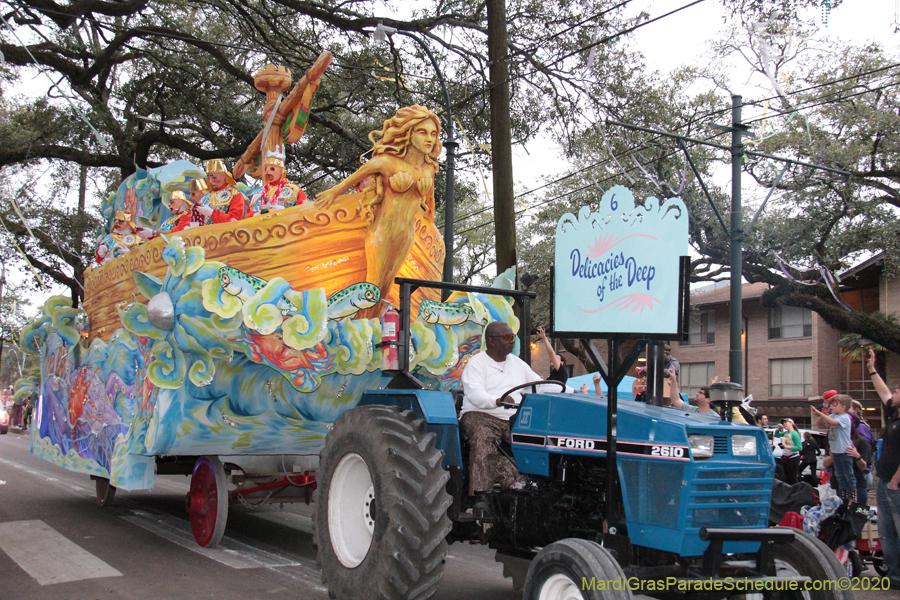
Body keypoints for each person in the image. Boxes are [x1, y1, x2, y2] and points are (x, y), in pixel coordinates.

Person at [315, 105, 441, 305]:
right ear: (408, 134)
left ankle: (379, 330)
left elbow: (431, 203)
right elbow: (350, 181)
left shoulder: (429, 168)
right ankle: (365, 329)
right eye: (422, 132)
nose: (429, 139)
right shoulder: (386, 162)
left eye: (433, 134)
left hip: (406, 235)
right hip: (382, 232)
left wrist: (430, 221)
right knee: (372, 288)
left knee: (387, 289)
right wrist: (332, 194)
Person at [460, 321, 569, 514]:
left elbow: (539, 385)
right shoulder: (476, 364)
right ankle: (481, 496)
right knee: (483, 435)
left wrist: (571, 391)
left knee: (537, 439)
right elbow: (475, 394)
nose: (512, 341)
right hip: (481, 413)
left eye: (513, 338)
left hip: (512, 418)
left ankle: (535, 487)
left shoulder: (518, 364)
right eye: (508, 338)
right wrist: (497, 400)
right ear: (491, 341)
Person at [867, 349, 900, 588]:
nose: (895, 392)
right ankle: (895, 578)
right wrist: (871, 368)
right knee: (887, 534)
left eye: (899, 391)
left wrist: (895, 481)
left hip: (895, 485)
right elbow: (884, 392)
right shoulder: (894, 415)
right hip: (887, 482)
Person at [813, 394, 855, 506]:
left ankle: (852, 495)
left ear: (843, 407)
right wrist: (824, 415)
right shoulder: (833, 416)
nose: (832, 406)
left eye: (835, 404)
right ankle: (842, 496)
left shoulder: (845, 417)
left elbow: (833, 423)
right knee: (839, 475)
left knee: (848, 474)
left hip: (844, 451)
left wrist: (821, 413)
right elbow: (824, 424)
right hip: (835, 451)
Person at [246, 146, 307, 217]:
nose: (267, 171)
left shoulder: (294, 190)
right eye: (266, 169)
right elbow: (247, 215)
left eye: (272, 169)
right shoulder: (257, 193)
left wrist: (285, 211)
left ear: (282, 171)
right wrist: (256, 214)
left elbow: (305, 211)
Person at [774, 419, 802, 485]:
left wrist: (788, 447)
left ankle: (794, 492)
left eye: (786, 422)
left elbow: (799, 447)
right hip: (786, 457)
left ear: (791, 423)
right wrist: (778, 429)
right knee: (786, 477)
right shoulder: (786, 433)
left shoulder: (794, 434)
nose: (784, 424)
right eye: (783, 423)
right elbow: (777, 435)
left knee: (792, 477)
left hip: (793, 457)